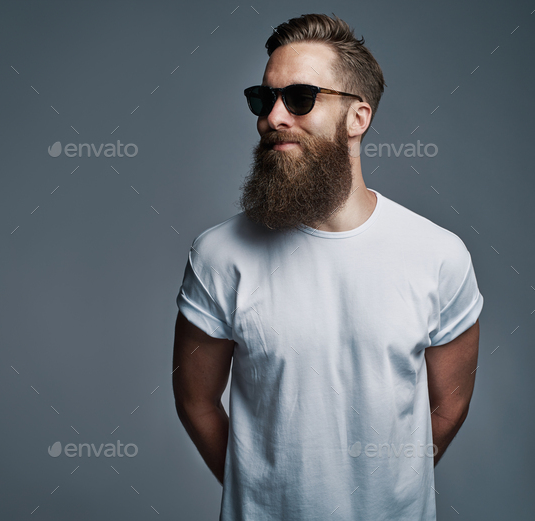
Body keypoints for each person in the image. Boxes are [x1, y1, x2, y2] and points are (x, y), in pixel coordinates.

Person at [172, 13, 483, 521]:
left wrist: (389, 493)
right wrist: (262, 494)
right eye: (263, 98)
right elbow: (196, 400)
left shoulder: (439, 256)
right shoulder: (219, 255)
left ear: (358, 118)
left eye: (299, 98)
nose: (272, 117)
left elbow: (447, 408)